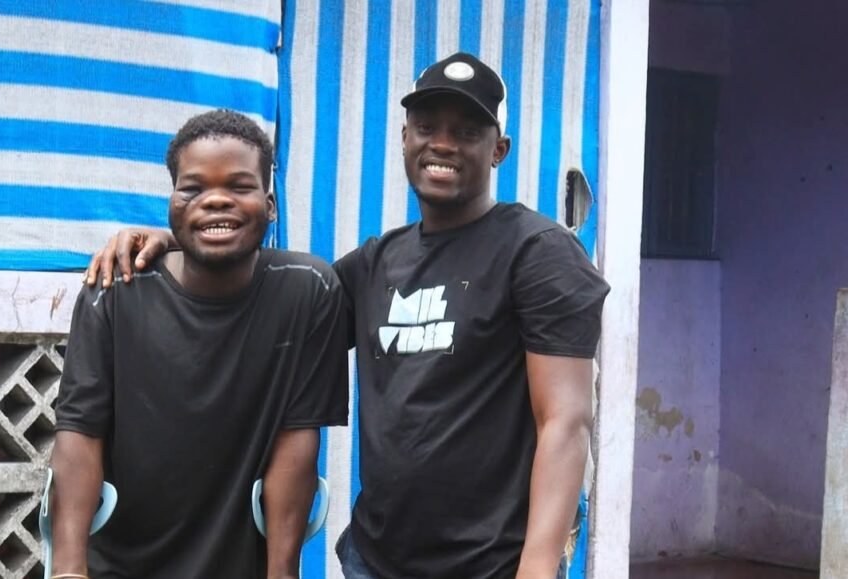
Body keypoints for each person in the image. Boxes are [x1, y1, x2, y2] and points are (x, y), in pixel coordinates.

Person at [87, 52, 609, 579]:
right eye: (426, 127)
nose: (443, 144)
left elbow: (565, 421)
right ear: (404, 138)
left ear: (499, 149)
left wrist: (537, 566)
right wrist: (180, 240)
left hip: (493, 564)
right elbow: (274, 294)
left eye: (467, 132)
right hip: (375, 562)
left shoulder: (536, 253)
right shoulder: (376, 263)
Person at [50, 109, 348, 579]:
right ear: (171, 202)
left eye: (239, 186)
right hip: (121, 565)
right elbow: (79, 433)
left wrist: (282, 574)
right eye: (193, 188)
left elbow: (297, 440)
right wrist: (68, 569)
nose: (216, 200)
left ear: (271, 204)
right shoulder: (115, 291)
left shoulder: (307, 290)